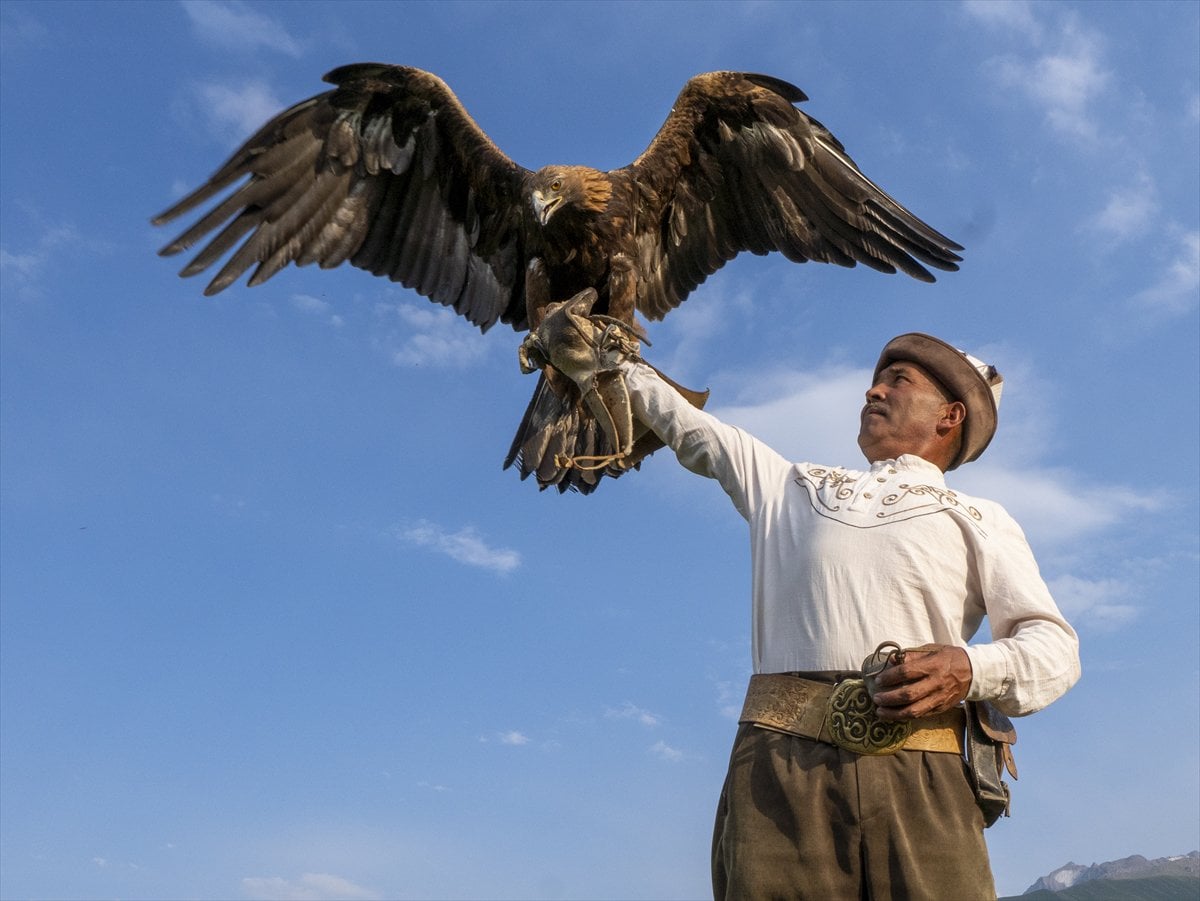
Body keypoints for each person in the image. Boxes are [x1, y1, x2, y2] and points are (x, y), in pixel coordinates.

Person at [612, 332, 1082, 900]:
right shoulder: (792, 486)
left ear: (950, 416)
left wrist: (969, 667)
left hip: (923, 775)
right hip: (779, 776)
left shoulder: (982, 517)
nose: (873, 389)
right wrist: (606, 358)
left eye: (898, 381)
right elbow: (694, 429)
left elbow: (1054, 649)